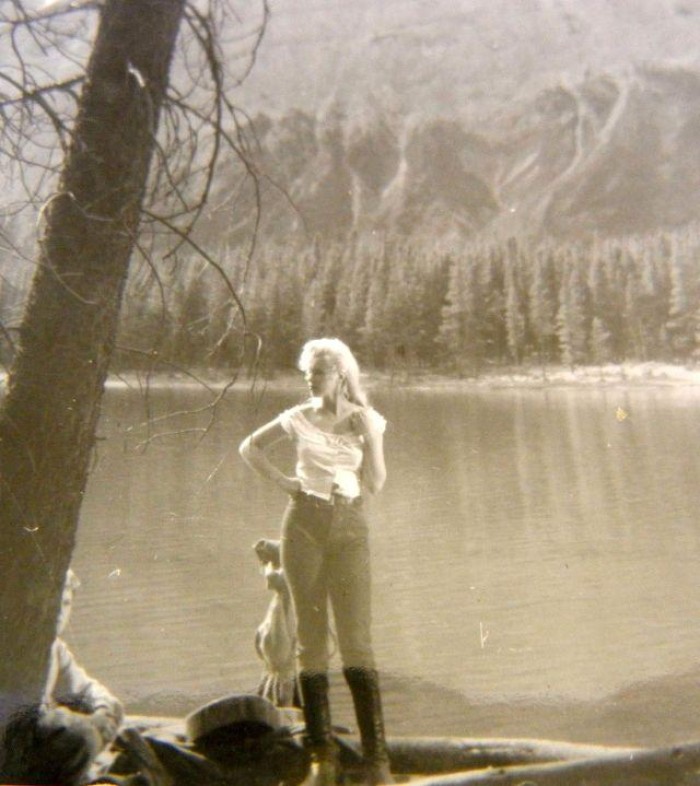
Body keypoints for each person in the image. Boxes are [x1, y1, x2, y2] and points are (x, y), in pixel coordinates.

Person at [239, 338, 394, 786]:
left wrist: (371, 437)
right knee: (309, 641)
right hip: (303, 525)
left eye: (319, 372)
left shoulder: (367, 420)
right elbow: (249, 448)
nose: (310, 379)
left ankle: (377, 762)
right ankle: (321, 758)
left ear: (341, 374)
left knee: (357, 642)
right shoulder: (299, 417)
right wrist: (286, 483)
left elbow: (376, 483)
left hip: (350, 527)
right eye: (307, 373)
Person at [1, 569, 124, 785]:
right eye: (53, 601)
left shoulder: (55, 648)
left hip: (34, 740)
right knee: (81, 736)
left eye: (66, 603)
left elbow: (86, 690)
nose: (59, 611)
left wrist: (103, 711)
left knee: (105, 721)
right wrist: (82, 724)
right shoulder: (11, 643)